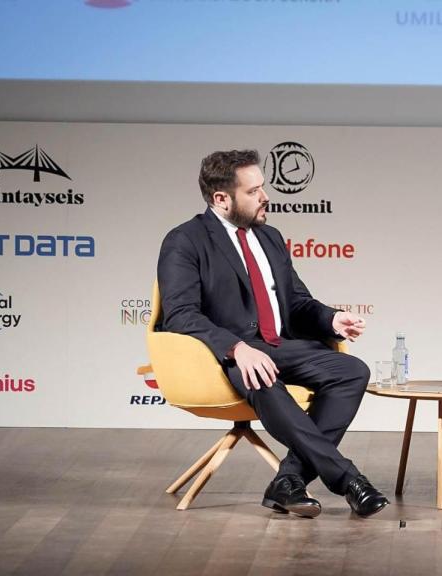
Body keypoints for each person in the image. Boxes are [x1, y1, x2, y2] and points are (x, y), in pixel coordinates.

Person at [156, 149, 388, 519]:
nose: (265, 197)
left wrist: (331, 320)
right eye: (253, 191)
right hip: (226, 357)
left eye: (263, 187)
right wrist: (236, 348)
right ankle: (348, 480)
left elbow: (296, 302)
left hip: (280, 346)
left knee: (352, 370)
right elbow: (181, 314)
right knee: (261, 374)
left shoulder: (270, 238)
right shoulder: (185, 241)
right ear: (222, 199)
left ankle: (288, 480)